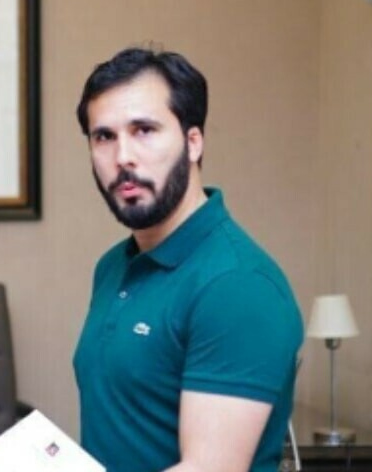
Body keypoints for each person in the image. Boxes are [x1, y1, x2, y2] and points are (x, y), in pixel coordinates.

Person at [73, 47, 303, 472]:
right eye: (103, 136)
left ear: (193, 142)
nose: (122, 157)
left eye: (144, 130)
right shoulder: (112, 267)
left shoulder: (238, 285)